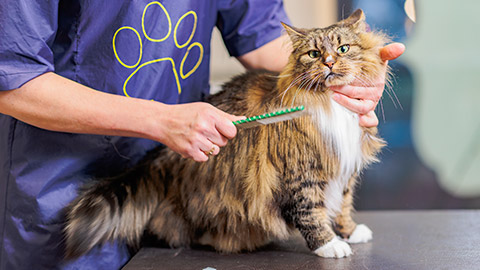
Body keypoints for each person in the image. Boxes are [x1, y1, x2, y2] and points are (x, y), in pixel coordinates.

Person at [0, 1, 404, 269]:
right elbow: (13, 80)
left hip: (189, 188)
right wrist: (159, 120)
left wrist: (353, 77)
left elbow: (268, 44)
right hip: (61, 185)